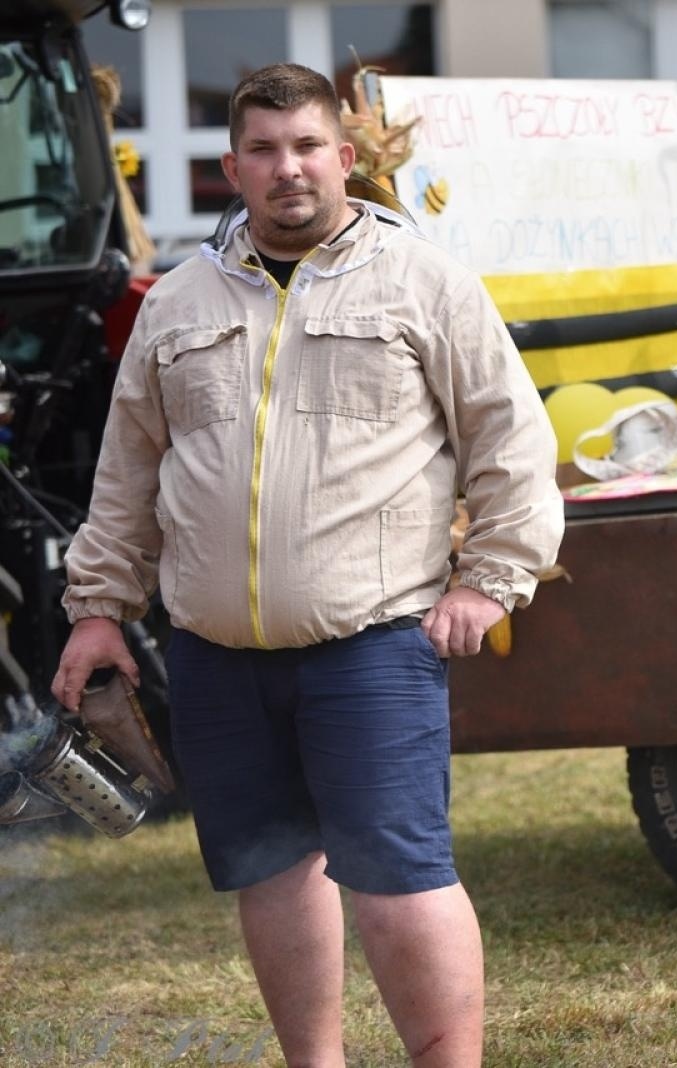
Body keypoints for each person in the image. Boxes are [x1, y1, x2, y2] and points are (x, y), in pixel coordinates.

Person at [50, 63, 563, 1067]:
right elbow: (127, 473)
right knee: (270, 869)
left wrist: (488, 580)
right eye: (265, 150)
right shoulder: (176, 304)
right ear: (233, 168)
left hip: (370, 642)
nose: (289, 169)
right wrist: (98, 608)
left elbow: (512, 444)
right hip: (213, 652)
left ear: (344, 157)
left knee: (399, 875)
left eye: (308, 147)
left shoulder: (426, 283)